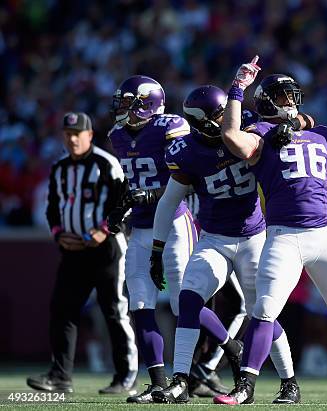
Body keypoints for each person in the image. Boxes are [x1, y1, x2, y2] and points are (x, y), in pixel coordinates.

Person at [214, 54, 327, 405]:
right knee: (264, 309)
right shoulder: (259, 134)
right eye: (281, 97)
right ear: (265, 103)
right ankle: (245, 386)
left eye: (292, 96)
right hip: (284, 237)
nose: (289, 102)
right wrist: (237, 88)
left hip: (326, 236)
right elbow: (230, 134)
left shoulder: (319, 133)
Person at [149, 85, 314, 404]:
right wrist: (157, 249)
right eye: (219, 115)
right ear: (201, 122)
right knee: (188, 298)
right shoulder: (186, 150)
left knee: (263, 312)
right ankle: (181, 379)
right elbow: (169, 201)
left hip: (254, 236)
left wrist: (289, 126)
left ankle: (289, 382)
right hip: (214, 239)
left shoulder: (249, 123)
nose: (228, 119)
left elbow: (305, 118)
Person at [27, 112, 138, 394]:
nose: (72, 139)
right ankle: (60, 376)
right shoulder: (59, 167)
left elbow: (126, 202)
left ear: (89, 135)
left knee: (114, 310)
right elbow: (52, 207)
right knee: (62, 308)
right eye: (67, 134)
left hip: (107, 249)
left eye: (78, 134)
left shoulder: (107, 163)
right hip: (73, 249)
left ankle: (126, 376)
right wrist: (58, 234)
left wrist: (104, 229)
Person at [107, 75, 200, 403]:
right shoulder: (117, 135)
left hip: (174, 224)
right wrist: (119, 207)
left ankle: (226, 353)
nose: (121, 108)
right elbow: (126, 182)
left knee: (183, 302)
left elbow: (189, 177)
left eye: (128, 102)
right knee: (140, 304)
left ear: (148, 104)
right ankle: (159, 382)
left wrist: (148, 196)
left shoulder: (170, 128)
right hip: (141, 229)